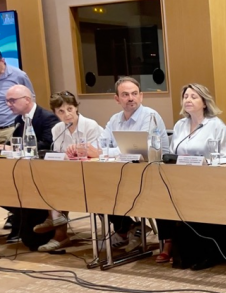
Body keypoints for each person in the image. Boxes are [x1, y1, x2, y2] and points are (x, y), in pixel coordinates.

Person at [159, 83, 226, 270]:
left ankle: (208, 252)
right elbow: (173, 153)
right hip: (182, 181)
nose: (188, 100)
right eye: (185, 97)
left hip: (209, 182)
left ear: (204, 102)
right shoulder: (180, 125)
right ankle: (183, 250)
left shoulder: (216, 126)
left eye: (193, 97)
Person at [100, 77, 170, 250]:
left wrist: (110, 152)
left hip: (154, 172)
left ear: (141, 96)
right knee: (98, 189)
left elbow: (140, 149)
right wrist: (108, 151)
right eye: (125, 95)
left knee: (115, 187)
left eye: (134, 93)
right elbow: (102, 145)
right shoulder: (114, 120)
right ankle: (128, 228)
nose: (131, 98)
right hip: (125, 172)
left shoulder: (150, 116)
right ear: (117, 99)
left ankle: (142, 233)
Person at [33, 91, 103, 252]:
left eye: (70, 109)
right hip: (68, 174)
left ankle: (54, 219)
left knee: (61, 183)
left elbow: (97, 154)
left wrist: (79, 152)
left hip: (92, 175)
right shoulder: (57, 129)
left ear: (76, 108)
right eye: (61, 111)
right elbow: (59, 156)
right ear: (55, 113)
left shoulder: (90, 125)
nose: (67, 114)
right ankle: (56, 221)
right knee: (50, 178)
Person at [2, 85, 59, 249]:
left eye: (12, 100)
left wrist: (16, 148)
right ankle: (19, 218)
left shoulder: (47, 118)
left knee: (32, 240)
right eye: (7, 101)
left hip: (44, 173)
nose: (9, 104)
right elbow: (14, 144)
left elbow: (48, 144)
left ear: (27, 100)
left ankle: (24, 220)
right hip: (24, 171)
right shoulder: (19, 120)